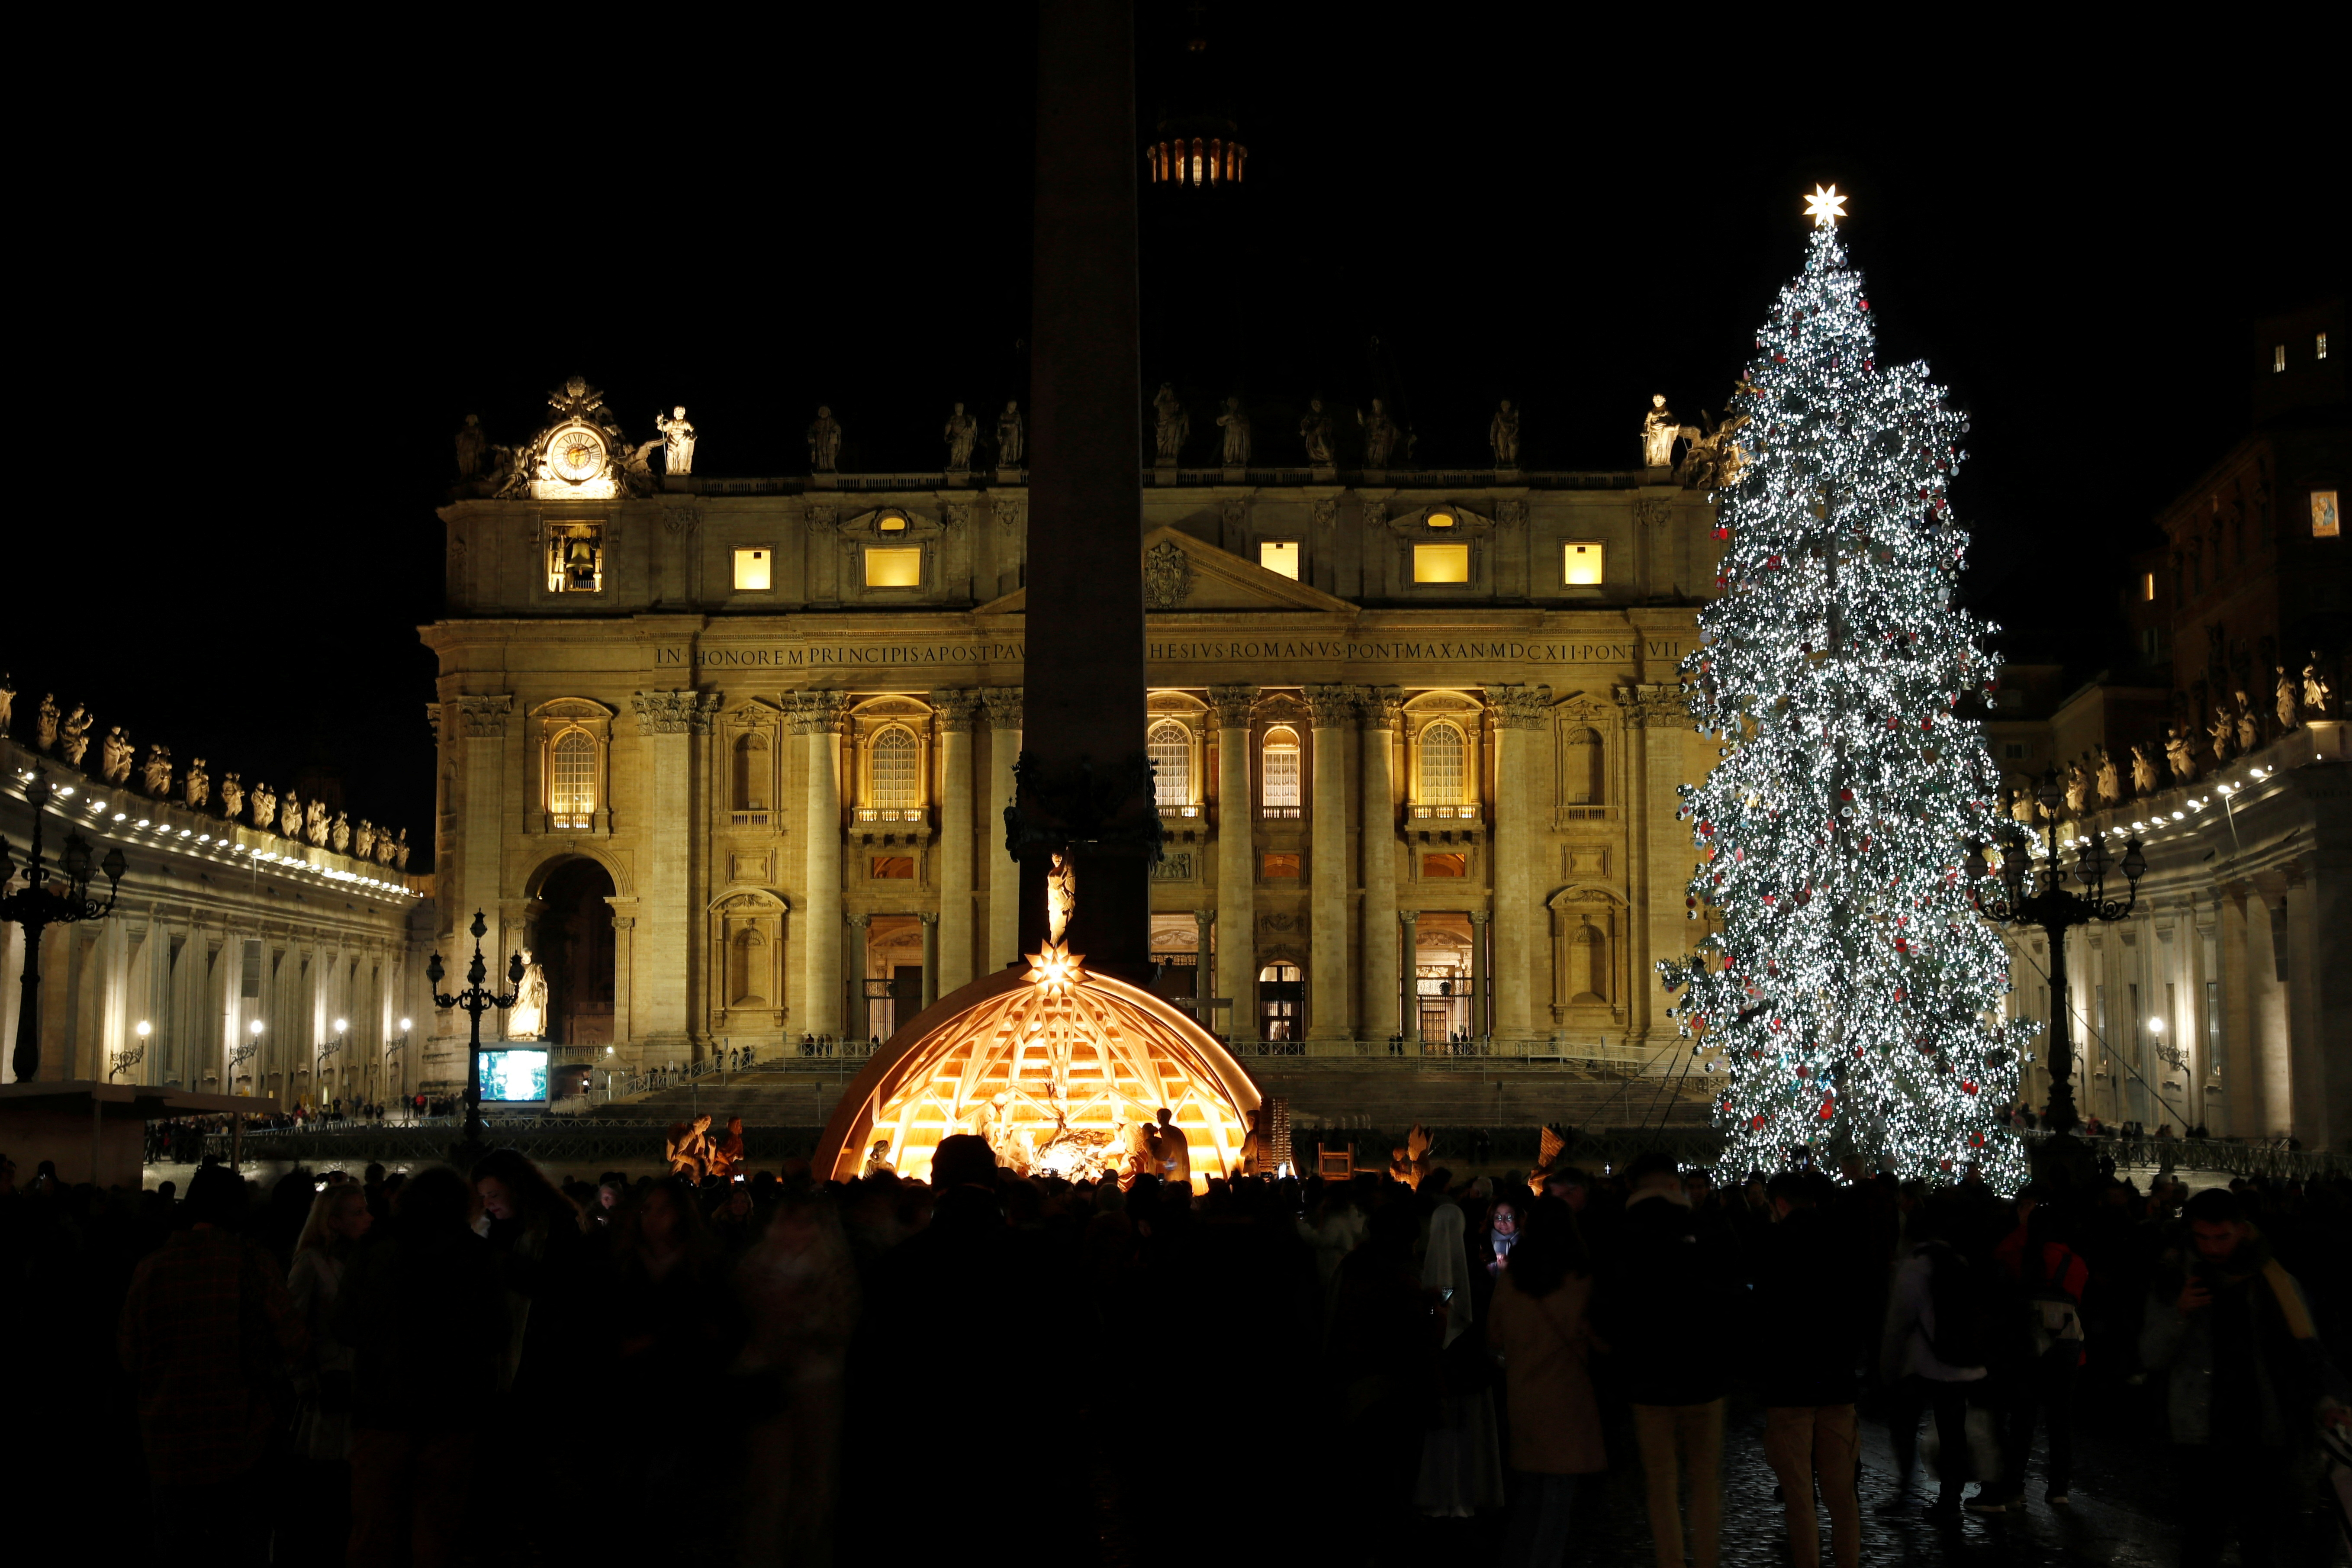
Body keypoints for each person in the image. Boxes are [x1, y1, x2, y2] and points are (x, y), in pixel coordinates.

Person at [2141, 1187, 2351, 1566]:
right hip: (2200, 1434)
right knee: (2202, 1540)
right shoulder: (2174, 1277)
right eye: (2202, 1237)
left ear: (2241, 1229)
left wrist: (2326, 1404)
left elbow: (2303, 1355)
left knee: (2259, 1541)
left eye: (2221, 1237)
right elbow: (2150, 1355)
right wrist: (2180, 1313)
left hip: (2263, 1432)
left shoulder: (2276, 1279)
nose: (2212, 1248)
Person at [119, 1162, 308, 1565]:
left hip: (167, 1434)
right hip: (239, 1434)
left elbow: (129, 1355)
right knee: (239, 1543)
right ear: (235, 1209)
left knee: (177, 1545)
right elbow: (294, 1341)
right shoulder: (252, 1262)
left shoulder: (151, 1267)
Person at [336, 1165, 509, 1568]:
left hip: (382, 1406)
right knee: (437, 1531)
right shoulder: (478, 1256)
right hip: (452, 1409)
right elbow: (497, 1332)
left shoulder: (373, 1249)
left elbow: (343, 1324)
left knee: (373, 1529)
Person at [1599, 1153, 1735, 1568]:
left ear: (1634, 1186)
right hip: (1705, 1376)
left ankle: (1670, 1560)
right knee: (1704, 1482)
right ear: (1676, 1185)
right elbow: (1733, 1297)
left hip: (1648, 1380)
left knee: (1660, 1483)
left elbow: (1609, 1308)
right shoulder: (1709, 1227)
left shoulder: (1620, 1234)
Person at [1751, 1171, 1864, 1568]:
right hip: (1837, 1382)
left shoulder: (1771, 1244)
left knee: (1799, 1498)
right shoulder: (1844, 1241)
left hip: (1789, 1384)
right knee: (1842, 1497)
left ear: (1779, 1203)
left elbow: (1760, 1314)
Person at [1487, 1198, 1606, 1568]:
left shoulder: (1512, 1280)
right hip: (1567, 1400)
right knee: (1556, 1505)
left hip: (1523, 1398)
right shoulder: (1581, 1281)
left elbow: (1493, 1336)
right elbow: (1601, 1340)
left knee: (1528, 1499)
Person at [1879, 1194, 1988, 1519]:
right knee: (1952, 1432)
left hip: (1922, 1363)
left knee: (1904, 1425)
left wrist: (1887, 1367)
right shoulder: (1959, 1261)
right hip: (1960, 1363)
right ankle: (1950, 1499)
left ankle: (1906, 1489)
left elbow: (1899, 1322)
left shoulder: (1915, 1266)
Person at [1988, 1198, 2088, 1509]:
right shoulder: (2076, 1263)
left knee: (2022, 1417)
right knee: (2061, 1419)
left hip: (2029, 1342)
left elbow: (1999, 1256)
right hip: (2068, 1343)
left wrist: (2021, 1227)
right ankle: (2059, 1488)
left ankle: (2015, 1487)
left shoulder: (2025, 1256)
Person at [289, 1185, 373, 1466]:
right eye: (358, 1213)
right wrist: (304, 1382)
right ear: (334, 1221)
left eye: (365, 1210)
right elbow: (293, 1324)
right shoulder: (312, 1262)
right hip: (328, 1383)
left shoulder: (364, 1259)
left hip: (359, 1382)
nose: (369, 1218)